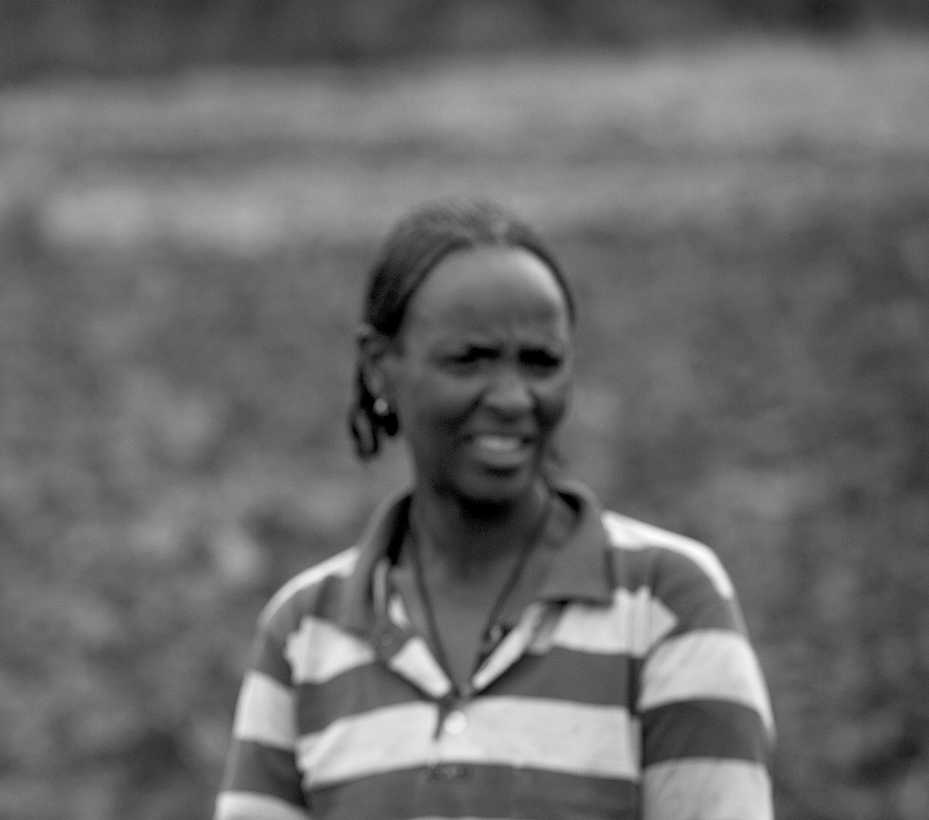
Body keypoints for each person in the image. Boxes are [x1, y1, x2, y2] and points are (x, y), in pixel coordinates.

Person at [212, 200, 772, 820]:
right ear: (379, 368)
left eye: (541, 362)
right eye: (468, 360)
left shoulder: (664, 604)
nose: (512, 397)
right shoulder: (305, 633)